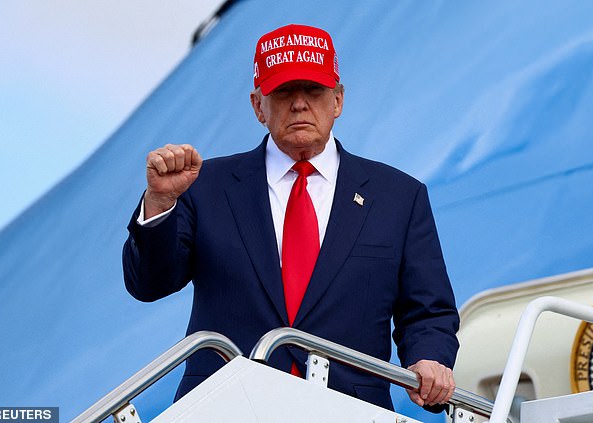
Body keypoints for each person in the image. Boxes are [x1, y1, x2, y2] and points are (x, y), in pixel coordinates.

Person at [123, 23, 459, 413]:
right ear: (257, 106)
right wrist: (160, 203)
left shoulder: (399, 197)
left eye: (313, 90)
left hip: (348, 411)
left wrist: (430, 358)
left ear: (338, 100)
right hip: (227, 407)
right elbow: (149, 284)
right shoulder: (204, 185)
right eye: (283, 91)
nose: (299, 104)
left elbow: (428, 310)